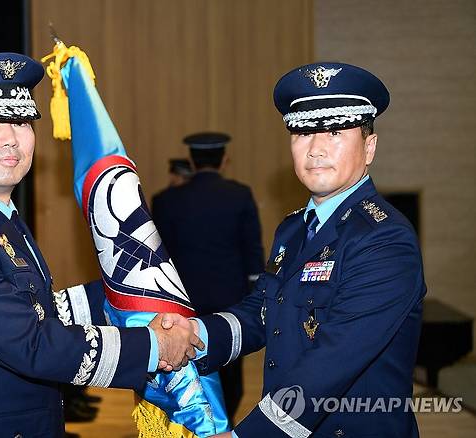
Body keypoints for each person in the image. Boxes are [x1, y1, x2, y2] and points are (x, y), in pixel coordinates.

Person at [0, 52, 202, 437]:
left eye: (20, 121)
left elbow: (38, 308)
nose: (10, 138)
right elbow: (31, 344)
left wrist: (135, 294)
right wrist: (152, 346)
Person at [160, 62, 427, 437]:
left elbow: (333, 361)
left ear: (369, 147)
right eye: (302, 133)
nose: (316, 149)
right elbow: (263, 312)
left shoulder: (384, 239)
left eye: (335, 132)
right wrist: (196, 334)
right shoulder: (293, 229)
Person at [152, 132, 265, 422]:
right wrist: (256, 292)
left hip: (181, 302)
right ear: (224, 160)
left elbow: (158, 256)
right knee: (230, 374)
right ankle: (223, 423)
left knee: (184, 369)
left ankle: (197, 424)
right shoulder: (239, 195)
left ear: (190, 160)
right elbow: (252, 248)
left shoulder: (166, 200)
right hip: (231, 300)